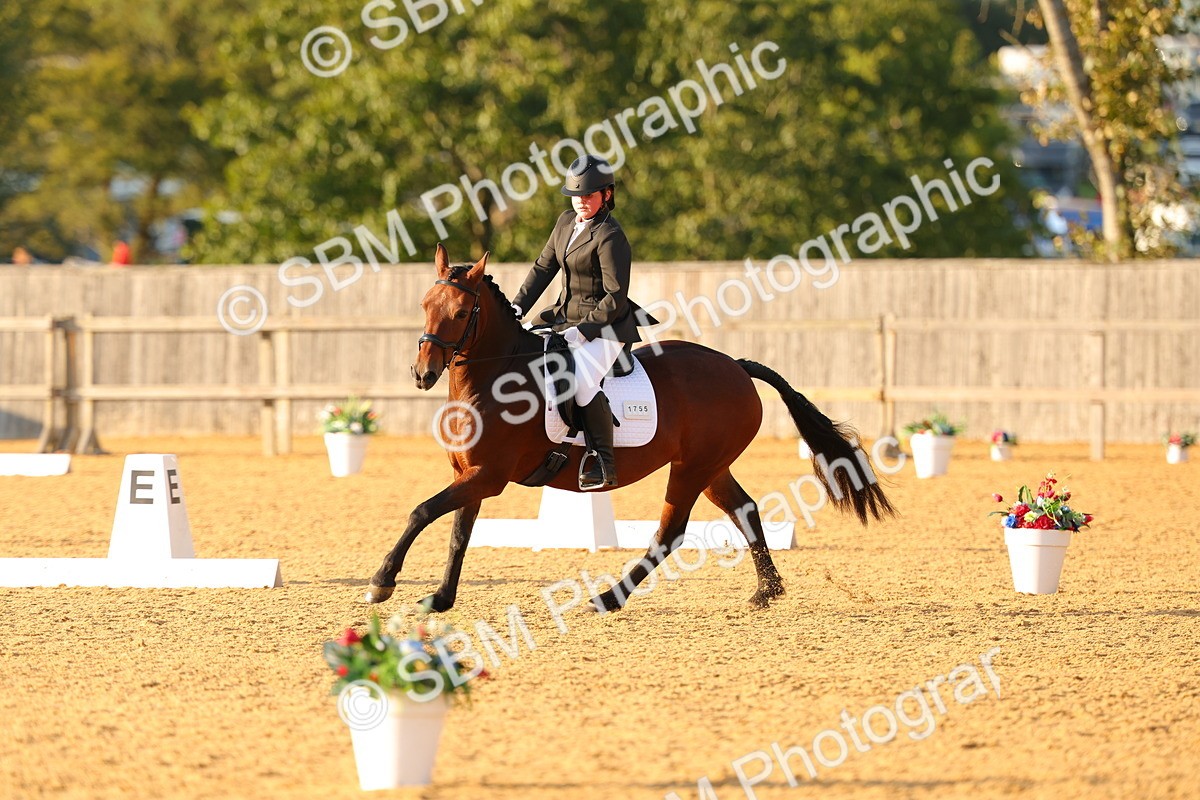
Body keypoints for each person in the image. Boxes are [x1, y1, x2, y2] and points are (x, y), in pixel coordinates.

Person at [512, 154, 657, 491]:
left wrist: (585, 330)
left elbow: (615, 295)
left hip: (606, 326)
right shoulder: (565, 222)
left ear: (606, 195)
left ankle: (603, 461)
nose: (581, 202)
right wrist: (517, 307)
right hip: (563, 316)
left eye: (589, 196)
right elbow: (542, 269)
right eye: (576, 196)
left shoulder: (611, 235)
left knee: (582, 382)